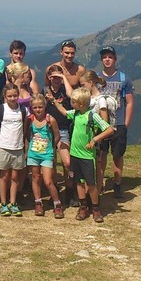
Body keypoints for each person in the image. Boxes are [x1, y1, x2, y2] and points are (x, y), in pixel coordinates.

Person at [49, 87, 117, 223]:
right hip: (75, 155)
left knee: (90, 184)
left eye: (73, 102)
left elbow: (109, 129)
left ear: (81, 104)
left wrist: (95, 139)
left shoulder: (92, 115)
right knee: (79, 182)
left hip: (87, 156)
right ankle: (83, 206)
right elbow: (63, 111)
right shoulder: (75, 113)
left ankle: (96, 208)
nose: (71, 104)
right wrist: (54, 102)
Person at [98, 46, 135, 198]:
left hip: (118, 122)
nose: (107, 59)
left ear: (115, 59)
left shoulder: (123, 78)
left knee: (117, 155)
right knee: (101, 154)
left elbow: (130, 102)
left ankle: (117, 183)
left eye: (110, 57)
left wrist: (125, 124)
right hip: (100, 123)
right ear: (101, 60)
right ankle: (99, 184)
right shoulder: (97, 78)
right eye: (105, 57)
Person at [44, 64, 77, 207]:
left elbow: (72, 96)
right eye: (54, 77)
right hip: (48, 129)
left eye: (59, 77)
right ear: (49, 78)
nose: (56, 80)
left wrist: (64, 77)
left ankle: (70, 191)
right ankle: (55, 190)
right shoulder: (45, 91)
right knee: (51, 163)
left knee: (67, 163)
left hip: (63, 129)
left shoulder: (65, 90)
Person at [0, 84, 29, 217]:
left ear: (18, 95)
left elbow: (25, 128)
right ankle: (3, 203)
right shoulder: (1, 109)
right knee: (4, 176)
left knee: (15, 177)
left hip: (18, 147)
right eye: (10, 96)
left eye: (15, 95)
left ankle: (13, 203)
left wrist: (23, 144)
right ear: (5, 96)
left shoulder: (24, 110)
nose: (13, 98)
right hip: (3, 146)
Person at [27, 94, 63, 218]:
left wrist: (52, 148)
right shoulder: (30, 120)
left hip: (46, 154)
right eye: (35, 107)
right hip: (33, 153)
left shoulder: (50, 120)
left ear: (45, 106)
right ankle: (38, 202)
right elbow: (27, 135)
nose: (38, 110)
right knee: (36, 178)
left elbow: (57, 135)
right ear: (32, 107)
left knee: (48, 181)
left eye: (40, 107)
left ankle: (57, 204)